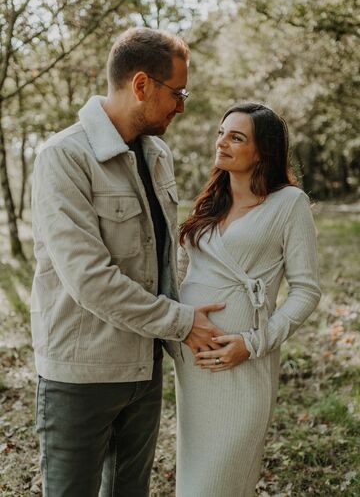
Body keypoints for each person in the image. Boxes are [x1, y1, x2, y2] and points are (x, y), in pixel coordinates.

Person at [30, 27, 225, 497]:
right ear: (141, 86)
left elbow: (164, 256)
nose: (182, 105)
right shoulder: (63, 157)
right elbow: (90, 280)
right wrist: (181, 322)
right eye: (176, 92)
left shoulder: (158, 154)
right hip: (81, 374)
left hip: (145, 367)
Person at [174, 102, 321, 497]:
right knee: (193, 481)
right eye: (221, 132)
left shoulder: (289, 204)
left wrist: (254, 342)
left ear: (263, 152)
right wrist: (179, 323)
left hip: (244, 362)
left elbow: (306, 290)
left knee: (219, 482)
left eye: (236, 137)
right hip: (193, 362)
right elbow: (179, 274)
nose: (221, 142)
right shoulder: (207, 204)